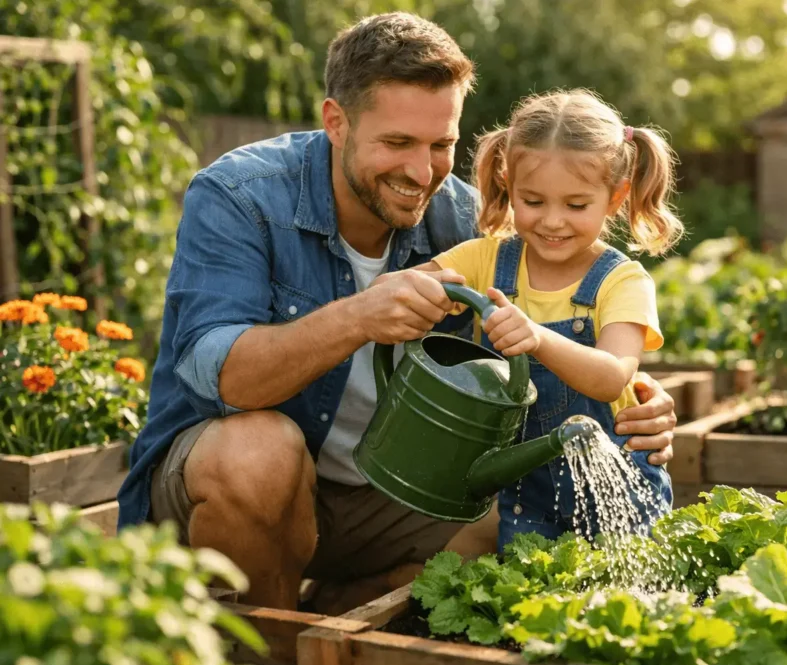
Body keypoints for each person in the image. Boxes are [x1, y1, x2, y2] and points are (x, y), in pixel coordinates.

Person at [116, 12, 679, 613]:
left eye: (441, 145)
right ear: (337, 122)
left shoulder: (464, 220)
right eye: (397, 143)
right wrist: (358, 316)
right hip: (235, 487)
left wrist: (639, 397)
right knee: (261, 451)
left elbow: (565, 306)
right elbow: (218, 375)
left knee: (512, 517)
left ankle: (335, 619)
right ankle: (275, 656)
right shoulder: (242, 196)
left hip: (385, 486)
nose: (422, 171)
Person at [420, 90, 683, 552]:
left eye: (576, 205)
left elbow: (611, 376)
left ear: (615, 197)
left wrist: (536, 337)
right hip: (525, 493)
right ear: (508, 184)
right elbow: (404, 290)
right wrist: (414, 291)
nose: (553, 221)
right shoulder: (486, 260)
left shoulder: (620, 280)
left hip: (617, 482)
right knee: (533, 598)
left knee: (622, 603)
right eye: (533, 201)